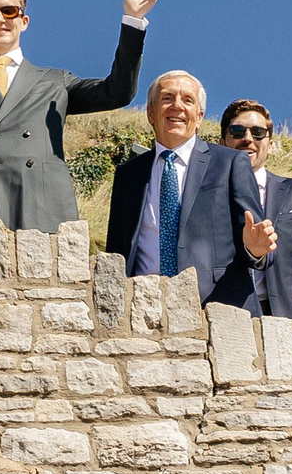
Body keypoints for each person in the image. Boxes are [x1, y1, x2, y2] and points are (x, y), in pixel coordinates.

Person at [0, 0, 159, 234]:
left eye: (9, 11)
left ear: (24, 21)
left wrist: (133, 20)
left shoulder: (53, 81)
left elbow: (118, 92)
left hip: (44, 215)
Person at [105, 71, 275, 305]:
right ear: (150, 113)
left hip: (217, 306)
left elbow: (255, 235)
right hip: (144, 308)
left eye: (187, 100)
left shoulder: (229, 163)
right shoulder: (128, 175)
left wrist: (255, 249)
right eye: (167, 98)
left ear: (199, 118)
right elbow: (117, 252)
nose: (177, 106)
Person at [221, 99, 292, 324]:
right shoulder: (207, 195)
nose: (247, 139)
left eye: (258, 133)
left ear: (271, 144)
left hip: (290, 319)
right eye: (237, 131)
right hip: (226, 315)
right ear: (222, 142)